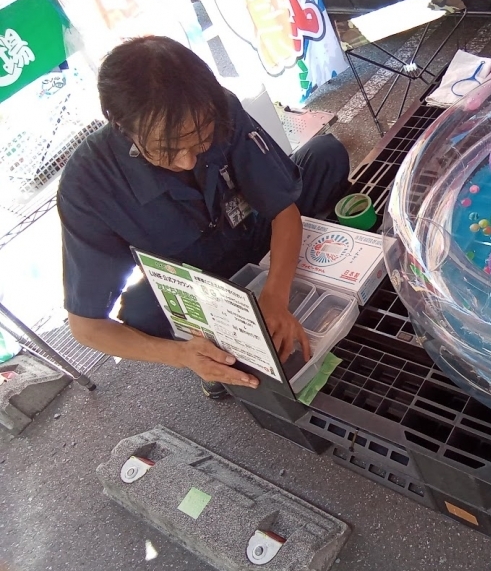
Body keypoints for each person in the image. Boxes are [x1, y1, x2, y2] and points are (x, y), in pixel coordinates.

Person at [58, 36, 349, 398]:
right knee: (141, 313)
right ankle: (211, 360)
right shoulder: (88, 184)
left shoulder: (220, 109)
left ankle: (303, 276)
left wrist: (275, 295)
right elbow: (86, 327)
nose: (187, 162)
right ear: (121, 125)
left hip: (252, 235)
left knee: (325, 154)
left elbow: (283, 211)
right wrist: (181, 355)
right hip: (195, 287)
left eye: (201, 141)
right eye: (166, 150)